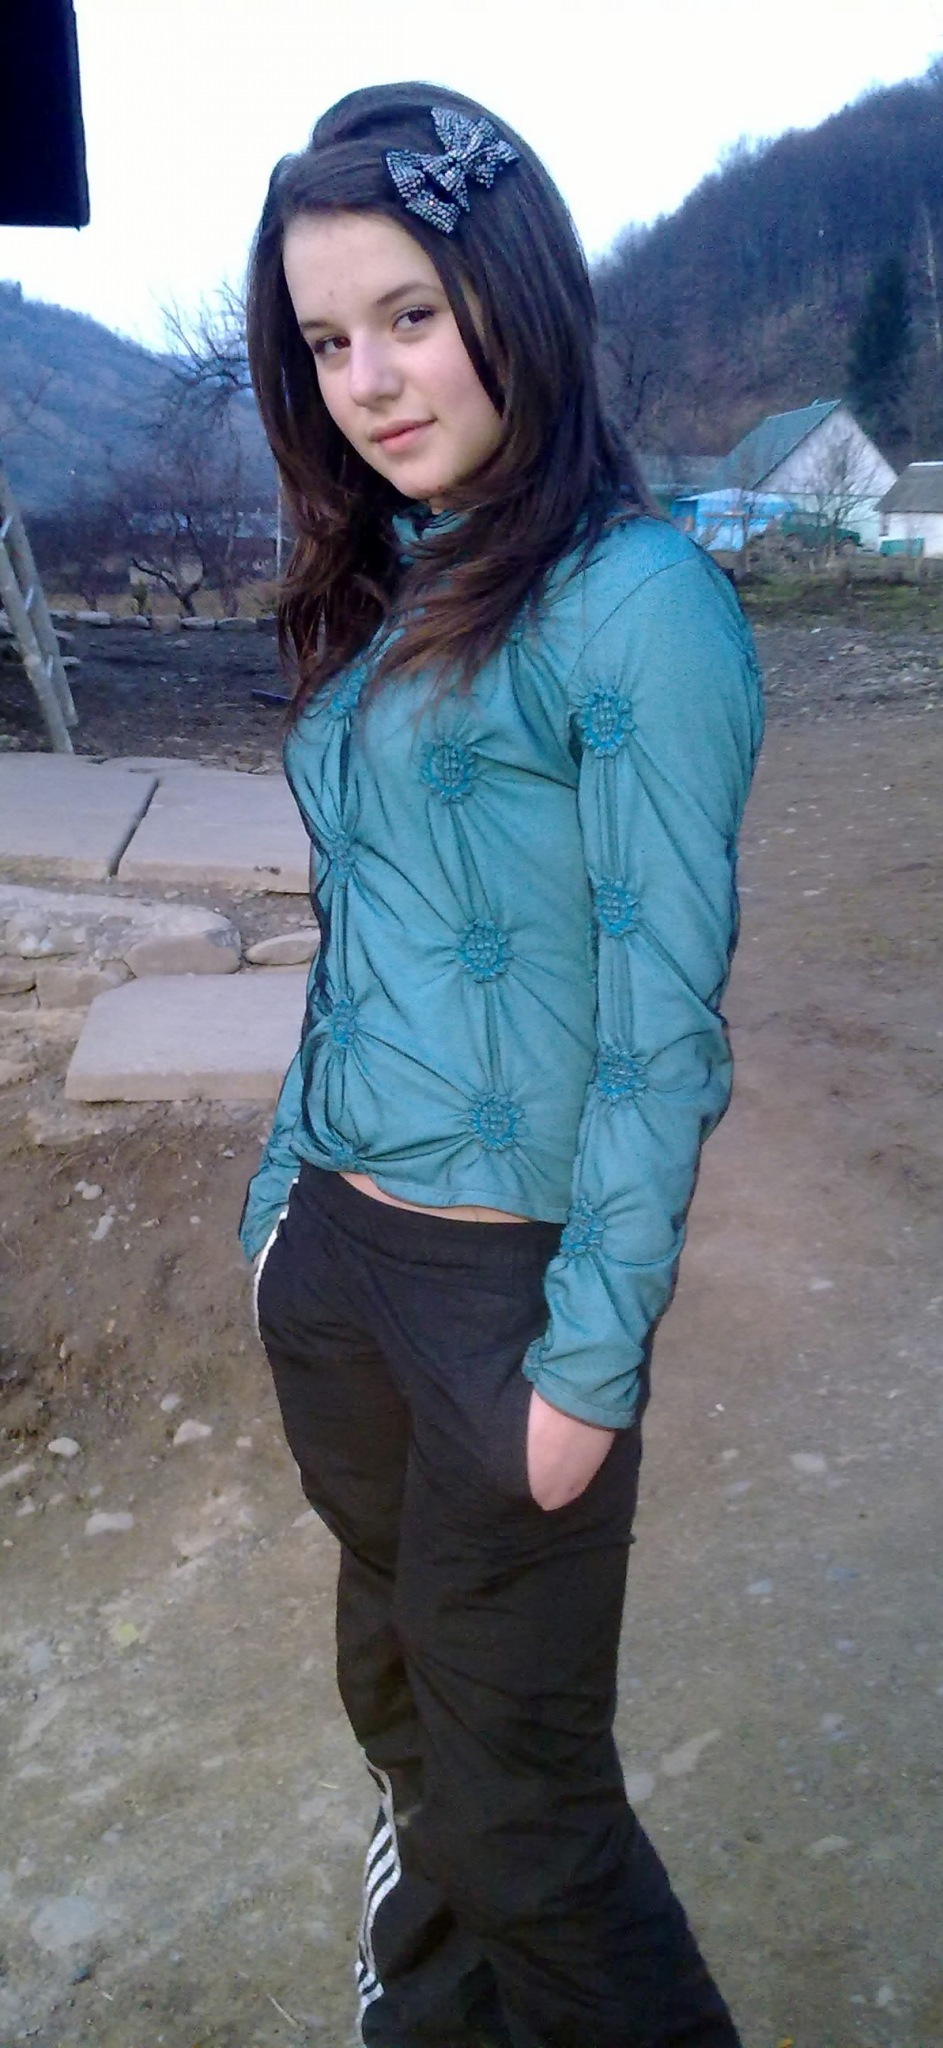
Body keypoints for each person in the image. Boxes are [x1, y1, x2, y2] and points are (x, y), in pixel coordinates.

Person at [240, 81, 763, 2048]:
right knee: (404, 1708)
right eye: (324, 339)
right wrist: (279, 1209)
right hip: (343, 1262)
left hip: (505, 1303)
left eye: (409, 315)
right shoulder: (395, 573)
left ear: (514, 295)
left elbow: (660, 1021)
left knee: (529, 1815)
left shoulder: (641, 607)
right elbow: (360, 928)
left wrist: (588, 1355)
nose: (367, 380)